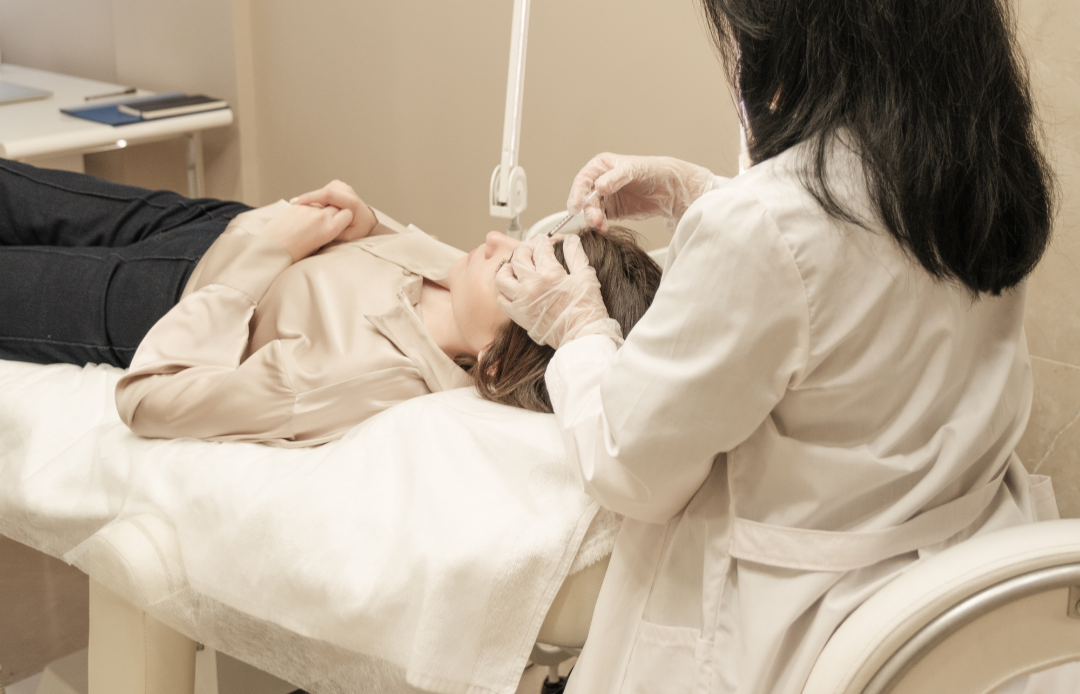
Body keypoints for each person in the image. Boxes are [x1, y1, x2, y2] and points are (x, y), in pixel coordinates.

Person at [439, 0, 1080, 694]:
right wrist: (699, 195)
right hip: (961, 642)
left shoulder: (772, 226)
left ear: (803, 9)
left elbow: (632, 468)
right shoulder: (975, 171)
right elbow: (852, 300)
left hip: (801, 660)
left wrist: (577, 326)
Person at [0, 160, 660, 441]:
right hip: (216, 221)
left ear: (495, 360)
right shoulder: (465, 289)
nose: (495, 240)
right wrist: (369, 224)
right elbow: (385, 264)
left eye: (514, 267)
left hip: (164, 297)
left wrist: (269, 253)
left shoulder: (358, 378)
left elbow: (150, 399)